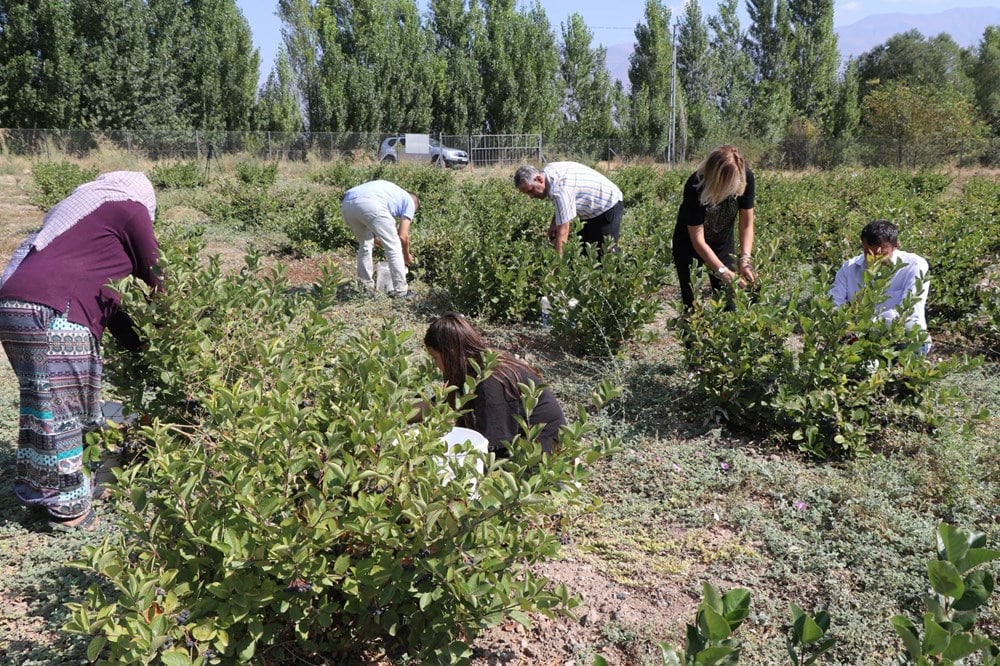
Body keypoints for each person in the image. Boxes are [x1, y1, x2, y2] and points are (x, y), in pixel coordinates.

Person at [0, 171, 161, 531]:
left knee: (43, 405)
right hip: (56, 311)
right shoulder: (130, 207)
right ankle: (71, 511)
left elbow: (109, 305)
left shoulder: (79, 222)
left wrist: (142, 347)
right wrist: (180, 330)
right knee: (66, 412)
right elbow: (159, 279)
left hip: (13, 307)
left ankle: (42, 489)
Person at [424, 312, 566, 456]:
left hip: (542, 453)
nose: (435, 365)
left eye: (435, 358)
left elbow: (496, 446)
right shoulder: (474, 367)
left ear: (451, 354)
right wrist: (403, 413)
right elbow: (438, 403)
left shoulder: (491, 383)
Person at [672, 145, 757, 309]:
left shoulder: (745, 178)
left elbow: (746, 223)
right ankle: (691, 332)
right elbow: (697, 239)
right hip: (689, 244)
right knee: (692, 302)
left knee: (729, 301)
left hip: (722, 240)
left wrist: (745, 259)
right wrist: (723, 271)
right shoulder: (695, 185)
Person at [829, 220, 931, 353]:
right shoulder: (849, 268)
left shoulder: (914, 266)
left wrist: (863, 322)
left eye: (882, 253)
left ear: (896, 246)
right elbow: (834, 303)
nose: (875, 258)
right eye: (868, 253)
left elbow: (909, 313)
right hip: (859, 337)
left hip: (903, 337)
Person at [514, 162, 623, 256]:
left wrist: (557, 269)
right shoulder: (548, 172)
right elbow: (561, 207)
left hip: (607, 204)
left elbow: (563, 233)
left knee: (606, 254)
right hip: (588, 211)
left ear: (539, 179)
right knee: (585, 252)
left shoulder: (560, 190)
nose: (531, 196)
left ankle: (618, 279)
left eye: (530, 190)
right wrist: (554, 224)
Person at [340, 180, 418, 298]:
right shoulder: (410, 202)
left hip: (347, 203)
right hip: (371, 203)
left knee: (365, 243)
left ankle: (365, 287)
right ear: (415, 204)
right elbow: (403, 236)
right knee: (394, 246)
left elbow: (375, 238)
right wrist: (406, 255)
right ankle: (402, 291)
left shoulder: (391, 193)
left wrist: (385, 244)